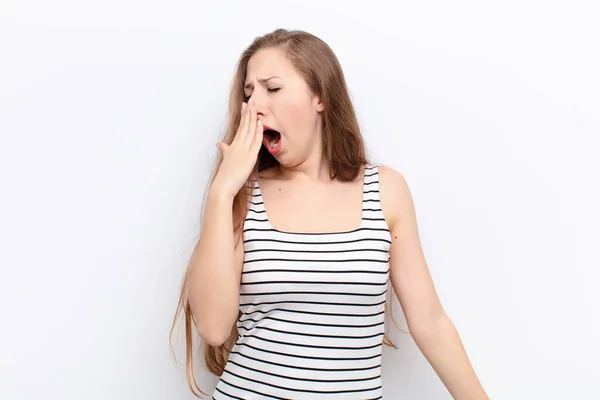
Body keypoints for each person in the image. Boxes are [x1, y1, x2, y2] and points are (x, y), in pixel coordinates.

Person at [171, 28, 489, 399]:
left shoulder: (385, 192)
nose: (254, 105)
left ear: (320, 96)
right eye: (248, 93)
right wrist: (221, 191)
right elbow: (212, 327)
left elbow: (431, 323)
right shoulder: (242, 196)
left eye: (272, 89)